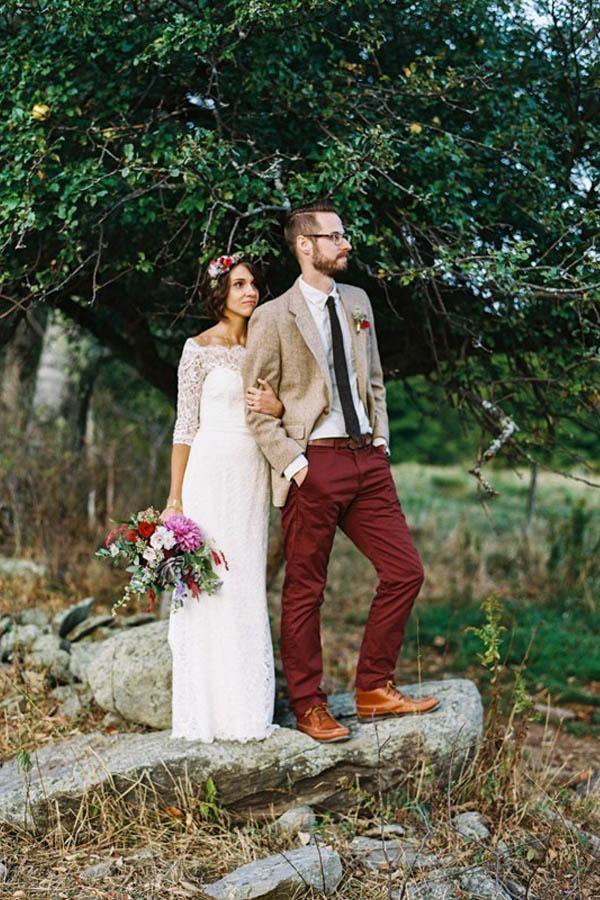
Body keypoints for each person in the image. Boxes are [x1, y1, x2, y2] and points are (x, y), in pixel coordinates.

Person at [243, 199, 440, 743]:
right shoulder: (272, 317)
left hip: (367, 460)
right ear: (305, 246)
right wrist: (297, 464)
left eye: (343, 234)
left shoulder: (357, 301)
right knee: (306, 590)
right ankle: (309, 704)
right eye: (333, 236)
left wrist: (381, 441)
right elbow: (254, 409)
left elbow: (373, 379)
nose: (344, 243)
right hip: (316, 463)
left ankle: (374, 688)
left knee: (405, 571)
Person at [163, 254, 281, 742]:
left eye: (253, 284)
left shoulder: (266, 345)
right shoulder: (198, 349)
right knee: (208, 583)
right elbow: (184, 425)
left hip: (252, 473)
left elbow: (285, 408)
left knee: (245, 579)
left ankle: (247, 709)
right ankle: (204, 711)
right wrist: (174, 498)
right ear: (220, 293)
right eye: (239, 285)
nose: (250, 292)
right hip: (209, 472)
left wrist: (275, 404)